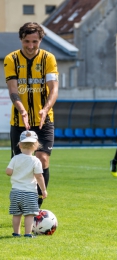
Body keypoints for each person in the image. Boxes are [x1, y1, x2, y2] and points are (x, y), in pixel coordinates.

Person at [3, 22, 59, 207]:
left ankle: (35, 208)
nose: (30, 46)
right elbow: (13, 91)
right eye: (26, 41)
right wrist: (22, 109)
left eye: (35, 41)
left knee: (42, 159)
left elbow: (54, 90)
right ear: (21, 39)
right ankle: (23, 205)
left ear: (40, 40)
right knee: (21, 165)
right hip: (20, 121)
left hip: (44, 120)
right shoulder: (11, 60)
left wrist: (45, 108)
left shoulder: (48, 59)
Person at [6, 130, 47, 238]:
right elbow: (39, 176)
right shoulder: (35, 160)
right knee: (29, 214)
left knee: (16, 214)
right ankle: (28, 234)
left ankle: (16, 233)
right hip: (29, 192)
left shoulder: (15, 158)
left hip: (15, 192)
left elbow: (8, 172)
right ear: (36, 145)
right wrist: (43, 190)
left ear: (19, 145)